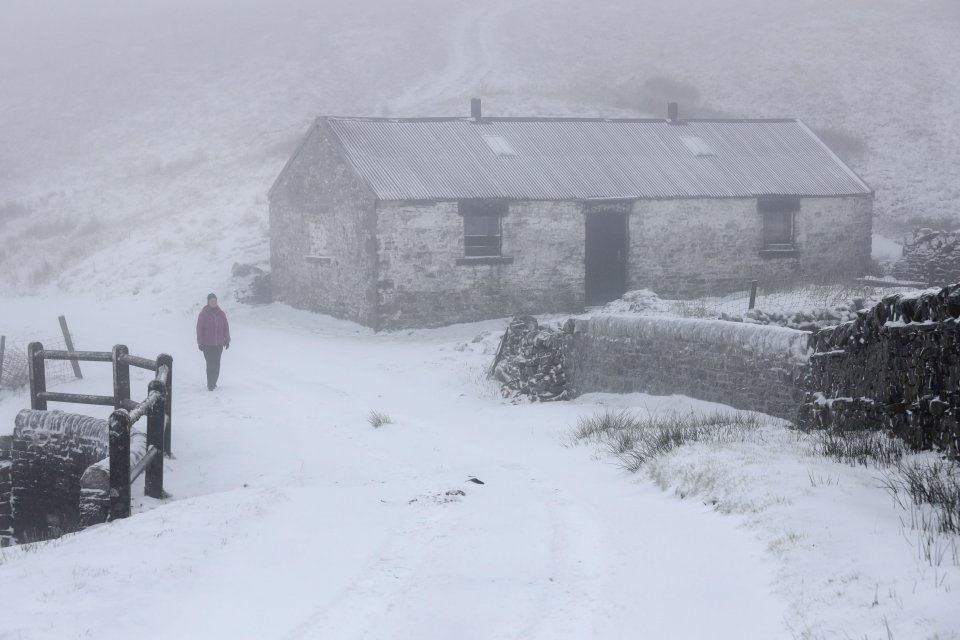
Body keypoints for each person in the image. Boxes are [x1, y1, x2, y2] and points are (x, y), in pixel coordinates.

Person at [196, 293, 231, 391]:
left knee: (217, 364)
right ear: (208, 302)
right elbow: (199, 329)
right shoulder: (203, 314)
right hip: (207, 345)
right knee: (210, 364)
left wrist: (227, 340)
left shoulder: (221, 313)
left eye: (215, 301)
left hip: (219, 344)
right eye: (212, 301)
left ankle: (214, 382)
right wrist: (200, 342)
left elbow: (225, 327)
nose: (214, 303)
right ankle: (210, 384)